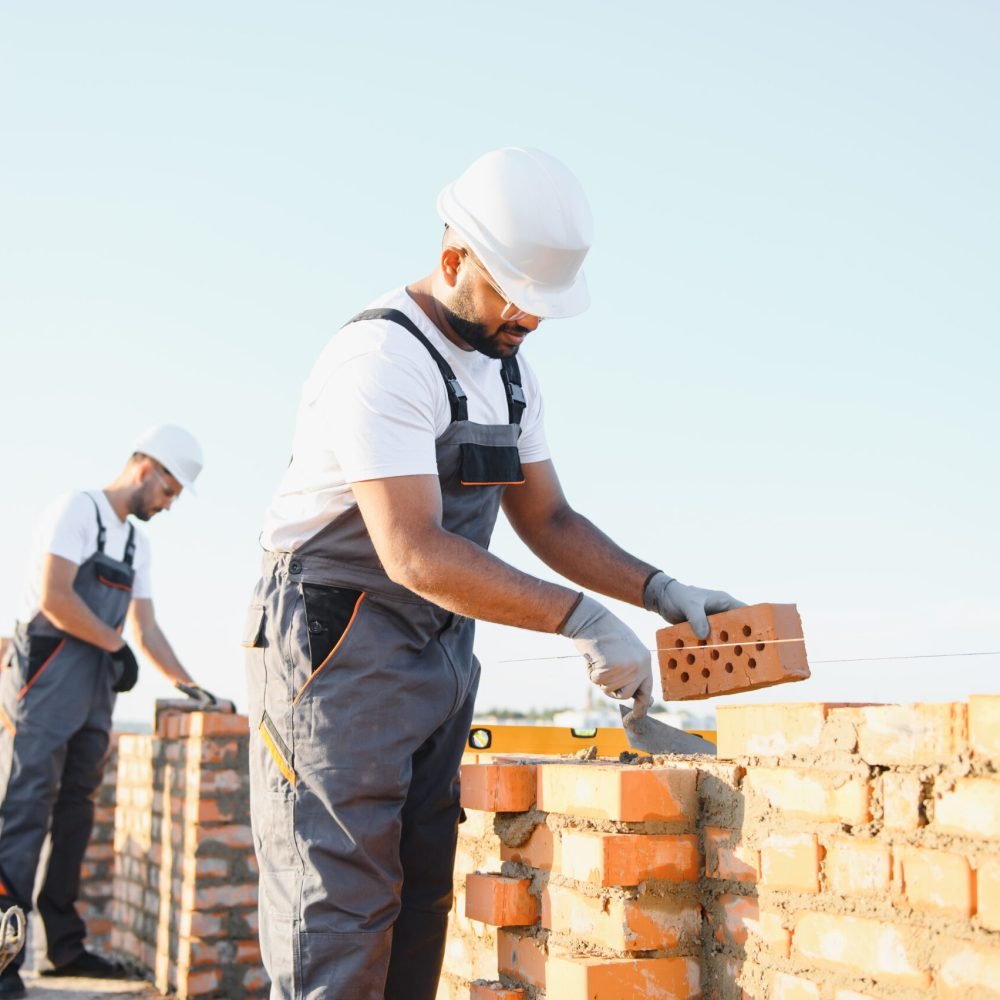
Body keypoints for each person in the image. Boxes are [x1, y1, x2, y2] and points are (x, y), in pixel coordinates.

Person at [246, 147, 743, 1000]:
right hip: (335, 647)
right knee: (341, 910)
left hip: (435, 649)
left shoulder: (511, 376)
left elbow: (547, 519)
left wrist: (659, 592)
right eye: (518, 297)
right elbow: (412, 550)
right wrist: (580, 621)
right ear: (452, 261)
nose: (532, 321)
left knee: (419, 897)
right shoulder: (382, 360)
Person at [0, 425, 219, 999]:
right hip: (45, 677)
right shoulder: (76, 509)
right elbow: (55, 596)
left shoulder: (134, 545)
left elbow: (146, 629)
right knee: (23, 813)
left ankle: (63, 948)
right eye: (170, 492)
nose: (169, 505)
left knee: (76, 815)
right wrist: (113, 644)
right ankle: (2, 956)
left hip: (93, 690)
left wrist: (192, 687)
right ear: (146, 468)